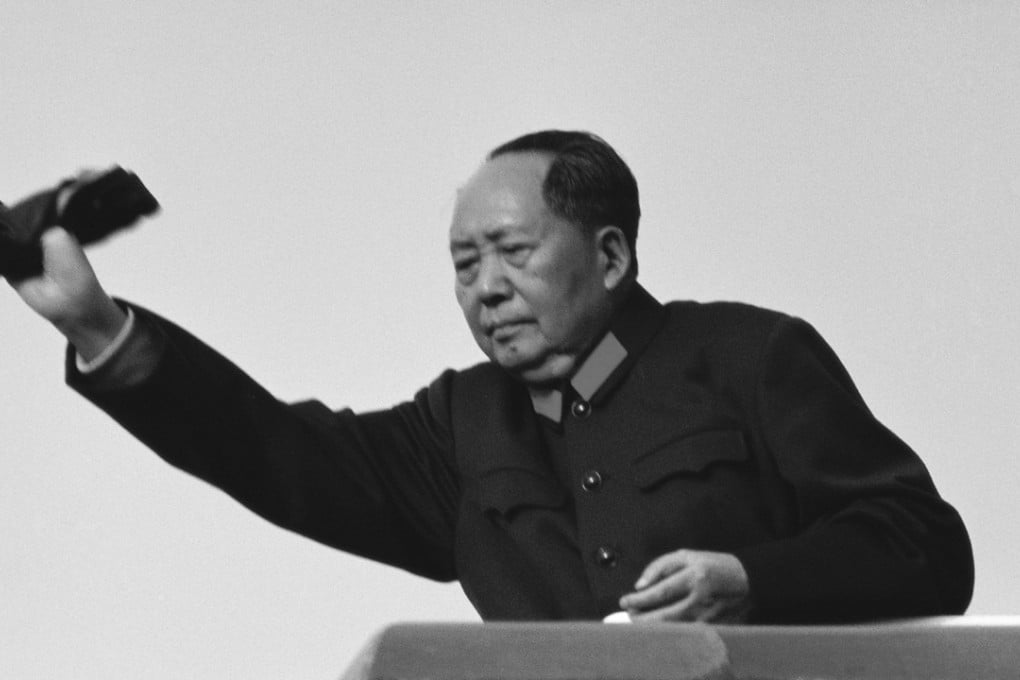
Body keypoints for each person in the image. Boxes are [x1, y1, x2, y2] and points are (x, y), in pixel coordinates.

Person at [7, 130, 973, 623]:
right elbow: (274, 451)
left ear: (609, 255)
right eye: (464, 264)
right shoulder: (462, 422)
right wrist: (98, 325)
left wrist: (752, 579)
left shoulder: (751, 358)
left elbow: (927, 548)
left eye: (511, 252)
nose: (486, 288)